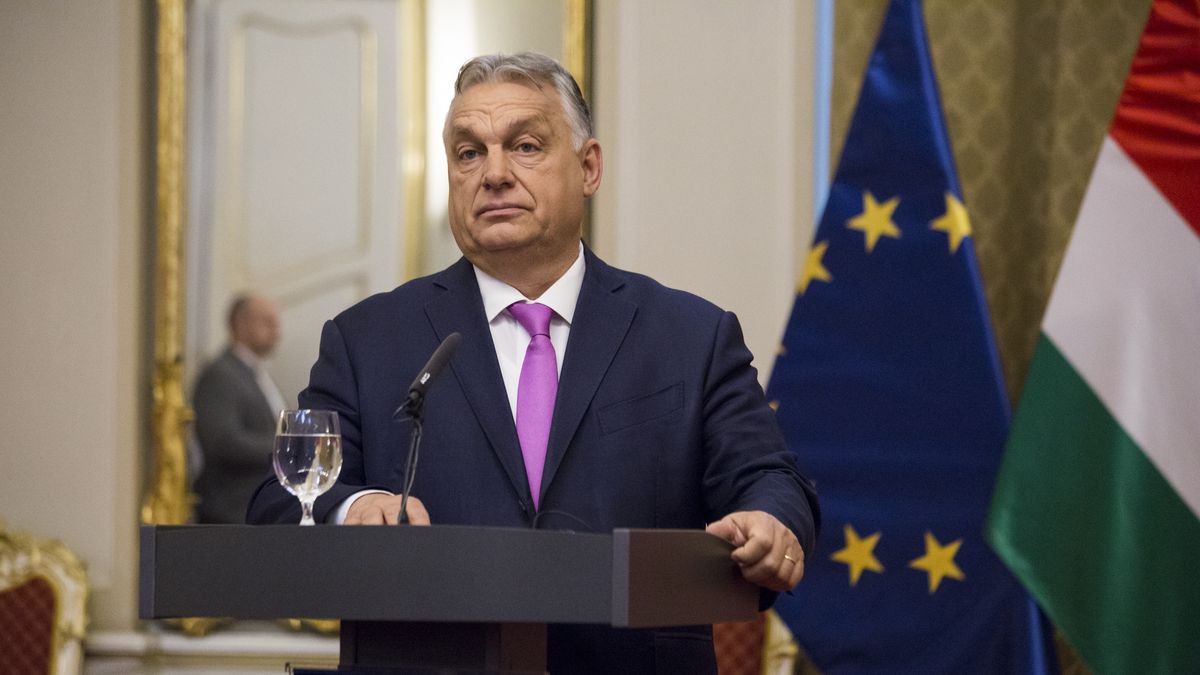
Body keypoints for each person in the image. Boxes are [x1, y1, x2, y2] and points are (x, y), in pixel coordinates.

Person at [247, 52, 819, 673]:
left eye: (524, 146)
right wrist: (350, 508)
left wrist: (770, 520)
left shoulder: (690, 336)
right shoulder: (368, 339)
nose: (493, 173)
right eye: (469, 153)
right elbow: (279, 498)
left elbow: (773, 480)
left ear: (589, 166)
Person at [193, 293, 287, 524]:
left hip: (262, 508)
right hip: (231, 511)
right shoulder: (220, 374)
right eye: (267, 322)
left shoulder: (256, 374)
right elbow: (222, 441)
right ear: (241, 324)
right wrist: (286, 449)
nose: (276, 331)